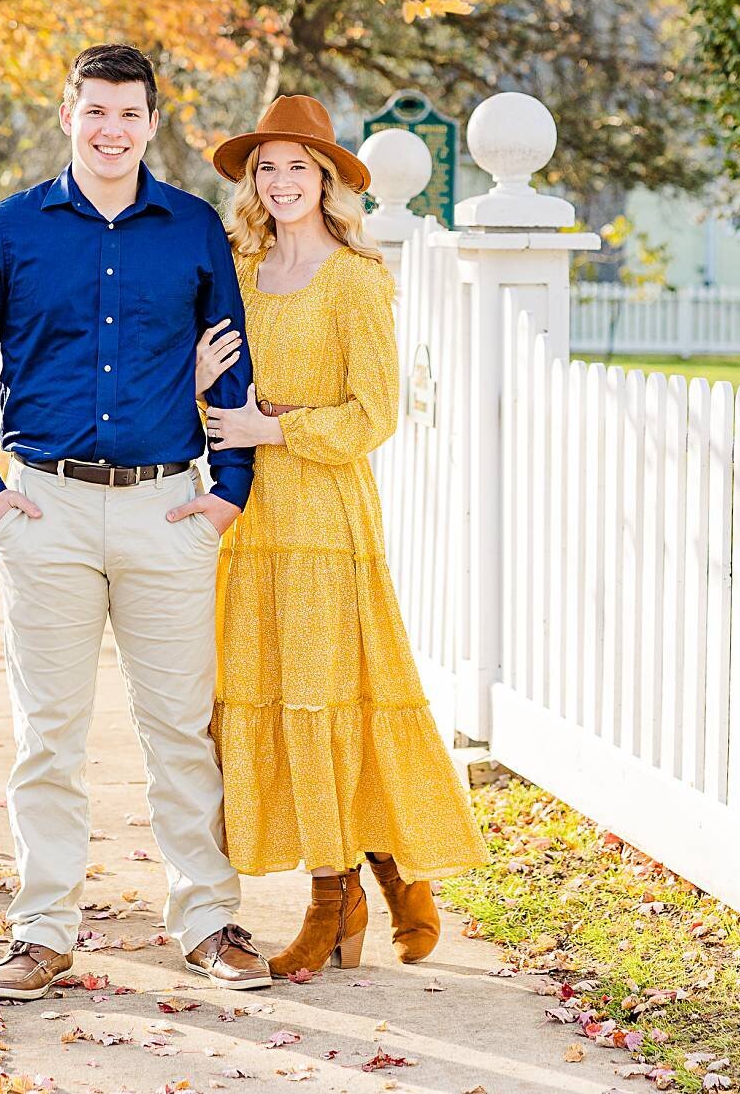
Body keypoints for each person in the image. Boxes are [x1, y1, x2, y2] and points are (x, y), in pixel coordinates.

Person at [0, 44, 272, 1001]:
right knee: (50, 731)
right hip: (50, 508)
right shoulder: (6, 232)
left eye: (129, 114)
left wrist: (229, 488)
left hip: (170, 506)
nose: (111, 130)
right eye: (95, 112)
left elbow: (230, 362)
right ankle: (42, 928)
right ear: (68, 116)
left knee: (178, 729)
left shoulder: (194, 229)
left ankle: (205, 916)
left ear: (151, 122)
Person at [195, 94, 488, 976]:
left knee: (329, 698)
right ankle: (383, 880)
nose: (281, 181)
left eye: (298, 166)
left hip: (325, 514)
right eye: (267, 167)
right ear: (254, 181)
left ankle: (335, 899)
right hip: (251, 518)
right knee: (279, 700)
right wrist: (203, 384)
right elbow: (219, 397)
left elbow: (374, 414)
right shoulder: (240, 274)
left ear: (327, 179)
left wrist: (271, 428)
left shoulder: (357, 278)